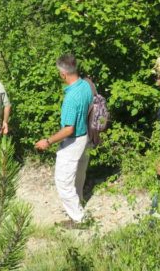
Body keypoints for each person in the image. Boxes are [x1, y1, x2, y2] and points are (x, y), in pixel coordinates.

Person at [34, 53, 93, 227]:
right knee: (79, 173)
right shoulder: (86, 85)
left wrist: (47, 141)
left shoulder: (71, 98)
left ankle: (78, 219)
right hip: (86, 138)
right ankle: (79, 201)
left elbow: (68, 129)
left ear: (63, 74)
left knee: (63, 182)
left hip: (73, 142)